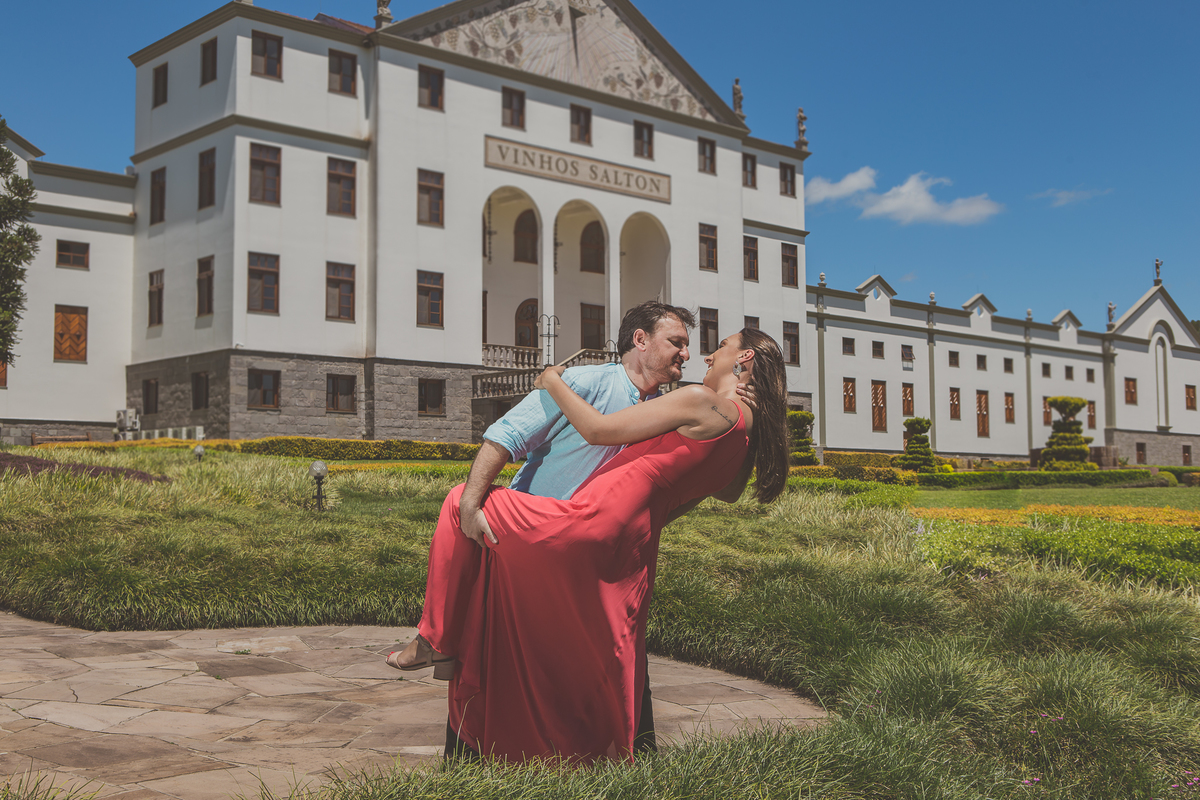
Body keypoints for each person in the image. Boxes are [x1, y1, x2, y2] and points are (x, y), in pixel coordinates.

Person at [390, 328, 790, 763]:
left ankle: (436, 640)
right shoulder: (746, 428)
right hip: (632, 544)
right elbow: (725, 492)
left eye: (722, 346)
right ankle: (588, 758)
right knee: (595, 654)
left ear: (745, 358)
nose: (707, 356)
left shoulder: (700, 400)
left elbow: (598, 430)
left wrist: (552, 379)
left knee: (461, 502)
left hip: (592, 519)